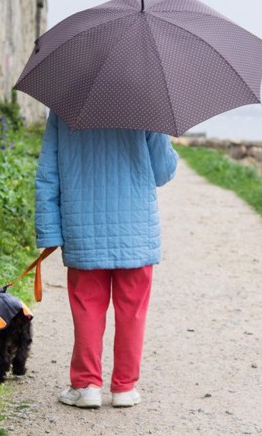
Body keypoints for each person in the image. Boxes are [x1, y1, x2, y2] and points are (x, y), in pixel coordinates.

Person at [34, 110, 178, 409]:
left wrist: (49, 232)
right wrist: (164, 138)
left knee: (87, 306)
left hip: (83, 227)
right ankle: (124, 387)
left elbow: (48, 173)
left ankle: (87, 385)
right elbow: (163, 172)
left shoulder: (64, 106)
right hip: (135, 230)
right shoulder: (147, 106)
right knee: (133, 311)